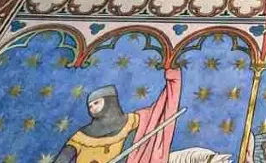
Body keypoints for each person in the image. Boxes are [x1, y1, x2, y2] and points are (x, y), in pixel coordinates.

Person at [53, 68, 181, 163]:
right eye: (90, 106)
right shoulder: (82, 135)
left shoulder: (133, 121)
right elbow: (63, 158)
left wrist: (173, 81)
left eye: (96, 103)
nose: (92, 108)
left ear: (110, 102)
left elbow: (159, 112)